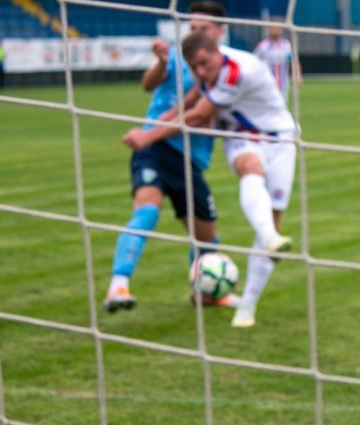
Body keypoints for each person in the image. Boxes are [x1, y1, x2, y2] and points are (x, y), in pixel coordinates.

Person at [124, 30, 297, 329]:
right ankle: (270, 238)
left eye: (204, 63)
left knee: (273, 216)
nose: (201, 72)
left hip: (281, 138)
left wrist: (148, 136)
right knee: (250, 167)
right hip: (241, 137)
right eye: (194, 67)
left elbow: (198, 115)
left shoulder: (238, 71)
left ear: (218, 50)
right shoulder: (206, 71)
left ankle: (248, 304)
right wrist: (155, 123)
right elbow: (191, 100)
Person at [103, 0, 237, 313]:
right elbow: (147, 84)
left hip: (190, 161)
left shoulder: (226, 69)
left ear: (220, 31)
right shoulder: (176, 56)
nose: (196, 33)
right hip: (154, 147)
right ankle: (118, 286)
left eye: (203, 28)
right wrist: (161, 63)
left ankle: (205, 295)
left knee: (207, 238)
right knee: (147, 210)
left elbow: (203, 113)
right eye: (192, 27)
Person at [253, 19, 301, 98]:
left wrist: (297, 75)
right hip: (266, 83)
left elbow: (293, 60)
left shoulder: (286, 45)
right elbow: (254, 62)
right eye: (273, 28)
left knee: (282, 103)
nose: (275, 30)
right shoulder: (262, 46)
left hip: (283, 83)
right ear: (268, 29)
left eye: (277, 28)